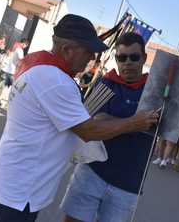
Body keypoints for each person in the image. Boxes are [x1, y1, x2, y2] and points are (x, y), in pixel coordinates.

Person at [0, 14, 158, 222]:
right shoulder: (55, 80)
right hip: (24, 183)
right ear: (66, 50)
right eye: (88, 51)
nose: (92, 58)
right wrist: (134, 122)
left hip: (16, 174)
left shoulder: (38, 66)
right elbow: (89, 130)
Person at [60, 32, 154, 222]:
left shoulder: (154, 91)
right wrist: (136, 122)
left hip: (129, 182)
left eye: (134, 57)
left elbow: (174, 128)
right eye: (122, 57)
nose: (128, 62)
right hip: (93, 171)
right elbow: (97, 121)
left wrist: (114, 122)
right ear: (116, 59)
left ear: (144, 58)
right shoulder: (105, 83)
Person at [0, 38, 29, 107]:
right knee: (13, 89)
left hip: (8, 69)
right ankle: (8, 104)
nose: (25, 47)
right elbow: (21, 60)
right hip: (14, 71)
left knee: (5, 86)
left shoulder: (14, 48)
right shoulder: (19, 49)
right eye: (25, 46)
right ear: (24, 44)